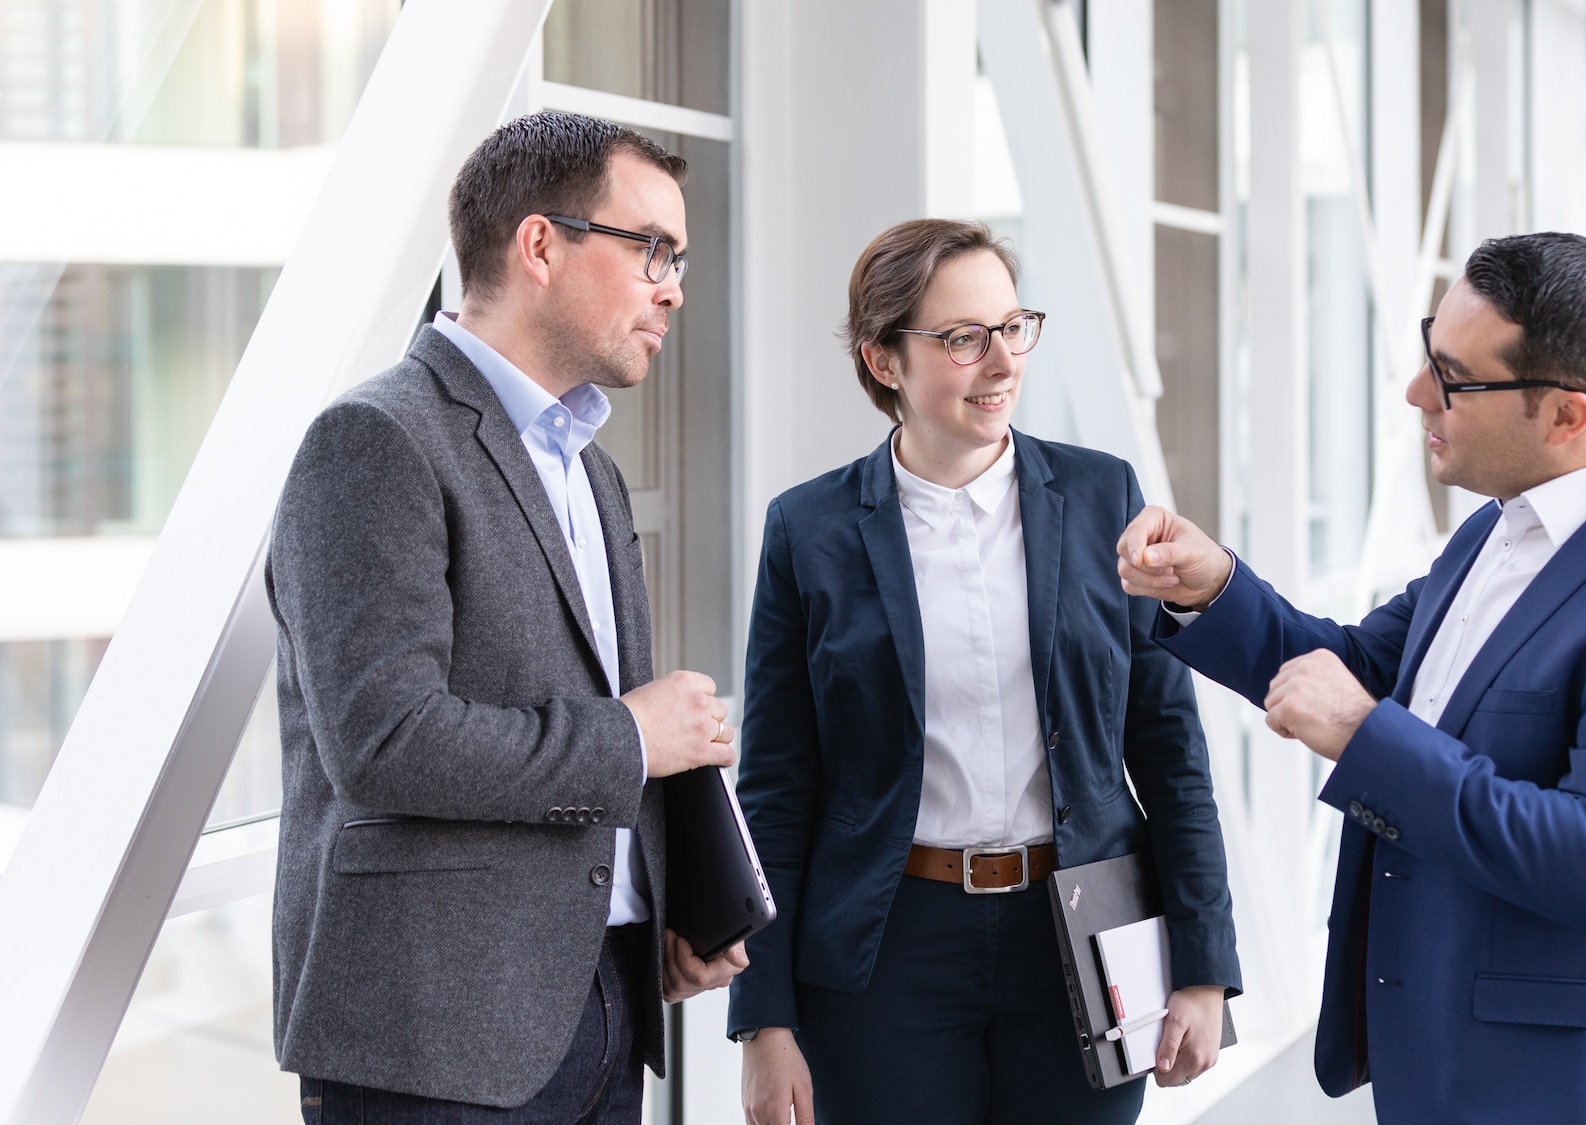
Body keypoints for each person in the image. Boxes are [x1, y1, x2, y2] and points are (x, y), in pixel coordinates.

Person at [1118, 232, 1586, 1124]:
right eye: (1431, 353)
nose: (1416, 393)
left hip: (1585, 1087)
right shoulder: (1497, 530)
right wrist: (1213, 590)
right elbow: (1353, 671)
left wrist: (1364, 739)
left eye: (1454, 377)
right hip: (1447, 1060)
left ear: (1567, 416)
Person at [266, 110, 745, 1123]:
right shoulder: (374, 441)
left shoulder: (593, 472)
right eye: (652, 249)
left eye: (680, 258)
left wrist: (664, 897)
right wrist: (631, 735)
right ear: (539, 243)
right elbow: (386, 739)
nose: (674, 285)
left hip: (603, 997)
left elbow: (600, 732)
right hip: (434, 1040)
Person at [728, 218, 1241, 1125]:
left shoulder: (1102, 498)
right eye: (964, 339)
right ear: (883, 360)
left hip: (1082, 927)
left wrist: (1204, 966)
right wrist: (763, 1020)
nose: (1002, 362)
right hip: (888, 950)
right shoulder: (807, 531)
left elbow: (1169, 749)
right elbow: (775, 788)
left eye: (1013, 328)